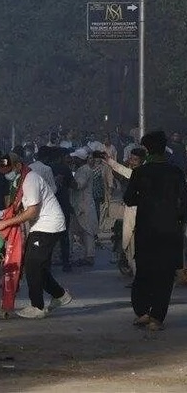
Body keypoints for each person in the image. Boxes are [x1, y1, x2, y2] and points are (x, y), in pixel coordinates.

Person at [0, 153, 72, 319]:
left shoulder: (30, 179)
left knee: (32, 264)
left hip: (49, 225)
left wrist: (5, 223)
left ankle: (37, 306)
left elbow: (32, 211)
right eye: (3, 170)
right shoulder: (19, 181)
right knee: (38, 266)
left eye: (8, 169)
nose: (6, 173)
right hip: (41, 225)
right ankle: (60, 295)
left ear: (18, 165)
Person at [124, 131, 187, 331]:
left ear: (147, 149)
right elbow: (184, 204)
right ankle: (157, 318)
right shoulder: (176, 172)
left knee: (144, 272)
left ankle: (142, 311)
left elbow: (129, 199)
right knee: (165, 276)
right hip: (170, 232)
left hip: (146, 230)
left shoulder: (140, 172)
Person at [104, 147, 147, 276]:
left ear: (142, 160)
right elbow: (121, 173)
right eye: (131, 159)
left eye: (135, 160)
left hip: (142, 213)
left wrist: (110, 162)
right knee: (130, 245)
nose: (132, 162)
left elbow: (124, 172)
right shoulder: (134, 172)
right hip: (131, 213)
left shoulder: (142, 173)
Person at [69, 147, 98, 267]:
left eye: (75, 158)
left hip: (84, 204)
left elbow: (78, 185)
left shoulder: (84, 170)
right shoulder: (82, 169)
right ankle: (86, 255)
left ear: (79, 159)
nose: (73, 159)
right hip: (80, 204)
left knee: (87, 231)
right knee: (78, 229)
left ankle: (89, 256)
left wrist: (66, 179)